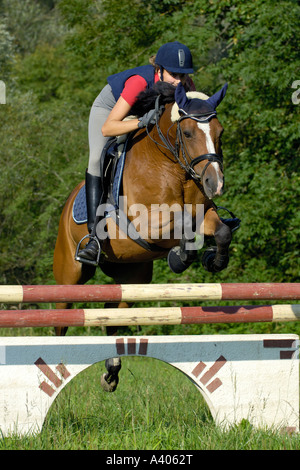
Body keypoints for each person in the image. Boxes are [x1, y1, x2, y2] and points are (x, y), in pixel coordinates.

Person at [76, 41, 195, 265]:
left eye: (184, 75)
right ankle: (94, 239)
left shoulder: (186, 85)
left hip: (146, 114)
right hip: (113, 112)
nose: (179, 81)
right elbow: (109, 128)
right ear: (159, 70)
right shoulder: (139, 82)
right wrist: (141, 122)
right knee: (95, 159)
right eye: (173, 74)